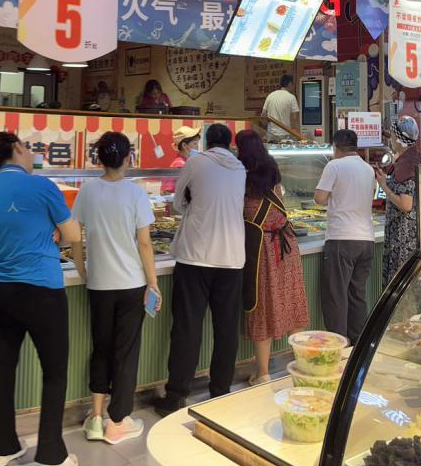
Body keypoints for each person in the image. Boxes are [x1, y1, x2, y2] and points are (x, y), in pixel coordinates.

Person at [0, 133, 82, 466]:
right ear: (19, 149)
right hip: (40, 288)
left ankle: (1, 446)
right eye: (28, 148)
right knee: (54, 371)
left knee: (2, 364)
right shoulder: (42, 186)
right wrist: (57, 231)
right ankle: (52, 458)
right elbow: (73, 235)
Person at [153, 124, 246, 415]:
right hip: (232, 258)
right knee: (226, 329)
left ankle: (176, 395)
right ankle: (220, 392)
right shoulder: (240, 168)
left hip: (195, 256)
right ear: (229, 142)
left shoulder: (196, 162)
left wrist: (196, 206)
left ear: (206, 141)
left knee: (187, 327)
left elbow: (178, 203)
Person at [74, 132, 160, 445]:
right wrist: (153, 281)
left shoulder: (87, 190)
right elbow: (145, 243)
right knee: (125, 353)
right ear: (127, 158)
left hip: (99, 284)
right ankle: (118, 421)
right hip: (131, 284)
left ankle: (96, 418)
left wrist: (83, 270)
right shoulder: (135, 193)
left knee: (101, 348)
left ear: (99, 158)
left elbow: (75, 236)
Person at [237, 130, 308, 385]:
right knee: (292, 303)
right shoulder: (273, 172)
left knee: (262, 307)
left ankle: (264, 373)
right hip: (286, 246)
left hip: (261, 251)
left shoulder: (242, 178)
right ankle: (302, 364)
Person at [316, 128, 378, 344]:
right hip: (366, 240)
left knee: (336, 296)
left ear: (336, 147)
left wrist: (335, 195)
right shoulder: (368, 169)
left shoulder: (334, 166)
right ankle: (357, 344)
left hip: (341, 238)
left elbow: (319, 198)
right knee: (357, 294)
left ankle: (338, 345)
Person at [375, 115, 421, 284]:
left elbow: (405, 204)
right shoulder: (415, 158)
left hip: (402, 237)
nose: (391, 139)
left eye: (393, 135)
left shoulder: (405, 164)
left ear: (400, 139)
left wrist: (384, 186)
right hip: (414, 233)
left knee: (399, 283)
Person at [262, 74, 300, 142]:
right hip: (285, 134)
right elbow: (295, 118)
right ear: (290, 84)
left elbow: (263, 114)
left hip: (271, 134)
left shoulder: (270, 95)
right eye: (293, 84)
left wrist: (266, 128)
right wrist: (298, 134)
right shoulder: (291, 97)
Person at [162, 126, 201, 194]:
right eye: (195, 143)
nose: (197, 147)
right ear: (184, 145)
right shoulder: (180, 164)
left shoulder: (185, 162)